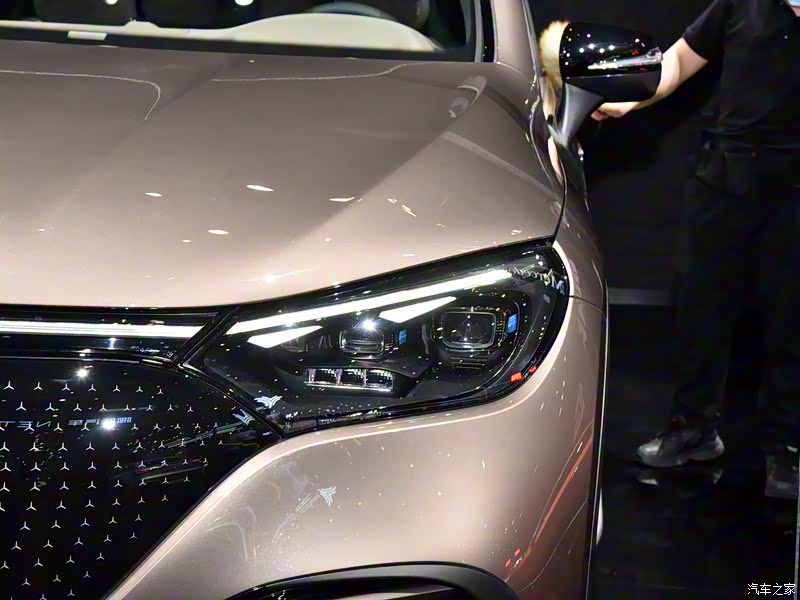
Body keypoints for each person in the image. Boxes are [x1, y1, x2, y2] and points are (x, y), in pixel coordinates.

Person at [593, 0, 800, 498]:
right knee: (699, 307)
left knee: (791, 321)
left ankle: (787, 449)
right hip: (723, 176)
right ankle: (693, 430)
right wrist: (631, 97)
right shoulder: (741, 3)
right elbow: (679, 60)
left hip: (794, 186)